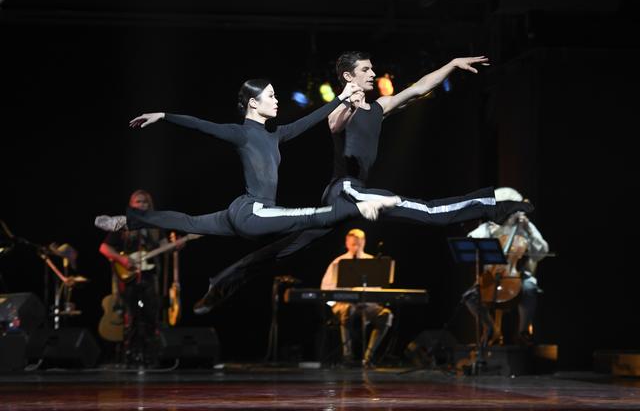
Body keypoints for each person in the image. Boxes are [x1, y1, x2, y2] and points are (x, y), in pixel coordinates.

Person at [190, 52, 533, 314]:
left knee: (287, 247)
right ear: (348, 76)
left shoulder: (379, 107)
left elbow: (418, 88)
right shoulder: (339, 108)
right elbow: (336, 126)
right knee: (417, 207)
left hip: (351, 195)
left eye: (372, 69)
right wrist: (346, 101)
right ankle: (494, 204)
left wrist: (452, 63)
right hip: (345, 188)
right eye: (366, 70)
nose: (373, 73)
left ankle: (220, 284)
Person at [94, 80, 401, 311]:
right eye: (271, 95)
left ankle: (130, 221)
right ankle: (363, 206)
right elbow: (204, 126)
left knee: (190, 221)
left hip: (239, 212)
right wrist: (163, 115)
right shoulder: (241, 133)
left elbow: (307, 123)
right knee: (308, 215)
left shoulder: (275, 134)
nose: (277, 100)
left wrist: (340, 98)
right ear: (253, 103)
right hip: (253, 212)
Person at [462, 187, 549, 346]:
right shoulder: (490, 226)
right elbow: (470, 240)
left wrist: (528, 227)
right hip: (493, 276)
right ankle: (490, 329)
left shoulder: (524, 227)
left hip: (518, 276)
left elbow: (542, 251)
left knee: (529, 288)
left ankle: (523, 332)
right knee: (470, 296)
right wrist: (487, 235)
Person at [98, 190, 165, 367]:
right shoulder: (123, 225)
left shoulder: (156, 227)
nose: (142, 205)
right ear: (131, 205)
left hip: (149, 276)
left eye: (145, 202)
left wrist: (177, 245)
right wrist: (122, 259)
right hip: (127, 278)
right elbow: (104, 248)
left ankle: (151, 358)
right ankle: (130, 357)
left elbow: (165, 247)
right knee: (131, 317)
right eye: (138, 202)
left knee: (151, 317)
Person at [320, 228, 392, 368]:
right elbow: (325, 289)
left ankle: (368, 358)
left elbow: (377, 290)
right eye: (353, 244)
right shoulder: (338, 262)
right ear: (347, 243)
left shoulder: (372, 262)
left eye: (358, 244)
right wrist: (334, 305)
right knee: (349, 310)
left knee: (386, 316)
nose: (356, 247)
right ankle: (347, 356)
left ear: (364, 243)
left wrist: (368, 302)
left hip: (367, 306)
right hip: (344, 306)